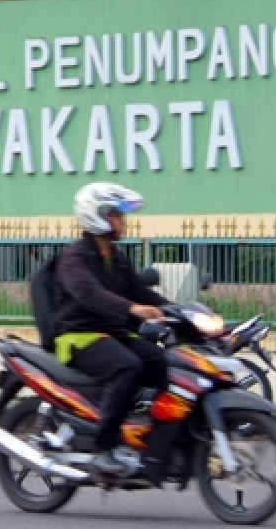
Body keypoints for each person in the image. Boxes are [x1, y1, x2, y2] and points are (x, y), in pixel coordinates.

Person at [54, 182, 168, 478]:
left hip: (112, 333)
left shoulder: (116, 259)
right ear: (97, 216)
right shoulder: (74, 258)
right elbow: (89, 294)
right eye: (116, 215)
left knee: (159, 361)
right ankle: (104, 447)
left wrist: (183, 313)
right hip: (79, 336)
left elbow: (143, 294)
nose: (122, 222)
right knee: (127, 367)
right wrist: (131, 309)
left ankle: (142, 432)